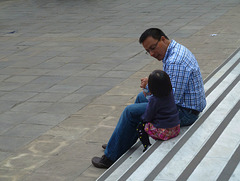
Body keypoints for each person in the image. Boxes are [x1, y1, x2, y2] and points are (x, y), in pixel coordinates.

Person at [91, 28, 206, 168]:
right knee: (140, 98)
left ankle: (110, 158)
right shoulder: (174, 51)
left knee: (130, 112)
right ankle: (122, 141)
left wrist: (150, 87)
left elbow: (171, 99)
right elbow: (168, 86)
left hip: (185, 112)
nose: (152, 53)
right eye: (148, 51)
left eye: (153, 48)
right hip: (183, 105)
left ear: (163, 39)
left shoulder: (176, 61)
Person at [137, 70, 180, 152]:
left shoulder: (154, 100)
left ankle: (147, 146)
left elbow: (148, 116)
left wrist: (143, 119)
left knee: (140, 126)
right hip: (175, 128)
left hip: (163, 132)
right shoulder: (170, 93)